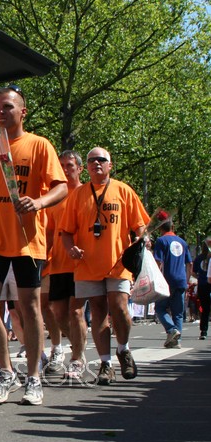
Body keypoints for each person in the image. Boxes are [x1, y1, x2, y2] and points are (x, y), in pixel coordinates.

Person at [0, 85, 67, 406]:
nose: (1, 112)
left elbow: (61, 188)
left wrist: (39, 202)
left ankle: (34, 377)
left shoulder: (39, 145)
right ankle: (6, 371)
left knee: (30, 307)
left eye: (7, 107)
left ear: (23, 112)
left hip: (27, 241)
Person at [60, 147, 148, 385]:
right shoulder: (78, 195)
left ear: (110, 165)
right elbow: (66, 231)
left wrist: (142, 238)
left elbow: (140, 225)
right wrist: (70, 248)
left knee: (119, 308)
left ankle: (123, 348)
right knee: (98, 311)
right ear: (86, 167)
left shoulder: (123, 190)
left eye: (101, 159)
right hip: (87, 264)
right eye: (91, 160)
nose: (96, 163)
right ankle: (105, 364)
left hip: (118, 262)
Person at [46, 150, 88, 380]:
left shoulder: (87, 193)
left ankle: (77, 358)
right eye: (61, 165)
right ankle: (78, 346)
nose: (65, 169)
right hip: (58, 265)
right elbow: (50, 231)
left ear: (80, 168)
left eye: (69, 165)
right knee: (59, 313)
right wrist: (41, 257)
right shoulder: (55, 196)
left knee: (76, 312)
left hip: (81, 264)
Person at [153, 220, 192, 348]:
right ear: (173, 227)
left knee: (160, 308)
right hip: (181, 281)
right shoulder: (183, 242)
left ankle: (171, 330)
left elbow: (158, 262)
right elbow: (189, 264)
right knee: (178, 313)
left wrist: (155, 277)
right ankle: (177, 342)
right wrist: (187, 281)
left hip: (166, 280)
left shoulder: (161, 241)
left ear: (160, 228)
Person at [194, 238, 211, 340]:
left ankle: (203, 331)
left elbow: (193, 272)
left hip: (203, 284)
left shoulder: (199, 258)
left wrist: (199, 277)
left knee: (205, 309)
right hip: (207, 283)